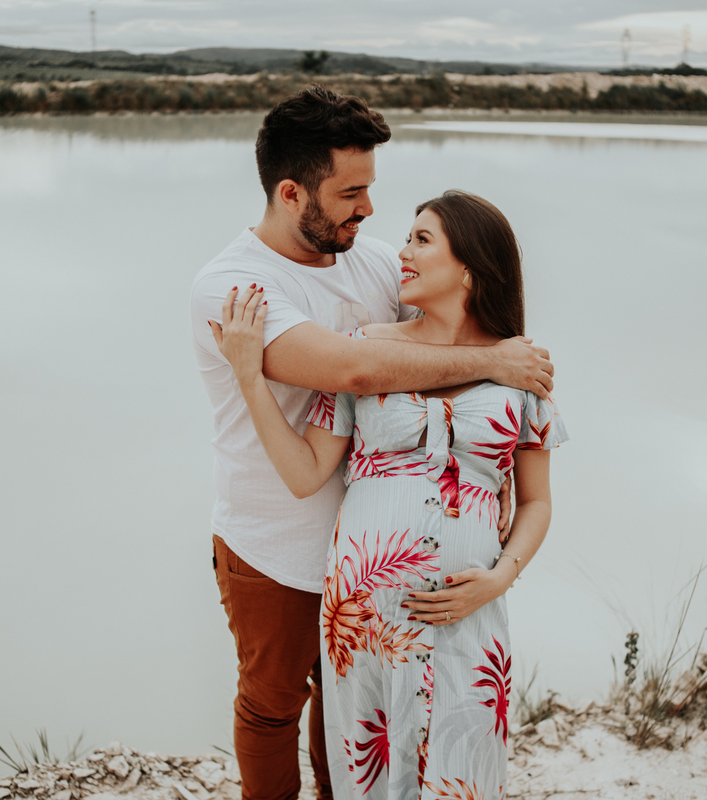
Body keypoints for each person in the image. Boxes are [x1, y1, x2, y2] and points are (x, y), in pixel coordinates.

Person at [189, 87, 554, 800]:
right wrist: (494, 361)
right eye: (351, 193)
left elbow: (436, 325)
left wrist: (495, 416)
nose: (369, 209)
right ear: (292, 194)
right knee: (272, 706)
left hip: (370, 552)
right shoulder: (231, 287)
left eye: (370, 188)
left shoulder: (376, 260)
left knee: (348, 719)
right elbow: (355, 368)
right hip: (276, 541)